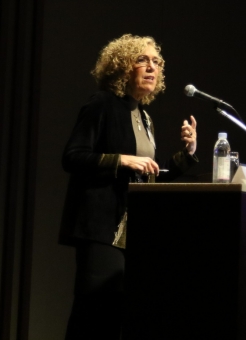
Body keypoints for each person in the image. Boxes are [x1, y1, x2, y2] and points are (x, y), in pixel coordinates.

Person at [59, 34, 199, 340]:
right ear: (122, 67)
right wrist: (122, 160)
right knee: (92, 319)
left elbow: (149, 175)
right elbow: (73, 156)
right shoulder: (102, 104)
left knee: (115, 319)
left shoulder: (143, 117)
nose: (152, 67)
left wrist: (187, 154)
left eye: (156, 62)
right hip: (100, 229)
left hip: (129, 233)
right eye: (142, 60)